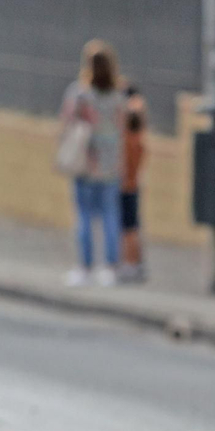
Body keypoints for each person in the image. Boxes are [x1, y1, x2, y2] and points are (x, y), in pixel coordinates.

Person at [59, 39, 127, 287]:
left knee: (84, 216)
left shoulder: (79, 93)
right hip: (111, 165)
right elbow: (121, 129)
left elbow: (66, 121)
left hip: (86, 163)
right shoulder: (119, 95)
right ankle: (110, 267)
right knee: (111, 216)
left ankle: (84, 268)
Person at [118, 84, 147, 283]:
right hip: (132, 183)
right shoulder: (136, 137)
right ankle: (133, 263)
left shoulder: (129, 137)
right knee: (131, 226)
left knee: (128, 228)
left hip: (127, 185)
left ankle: (131, 264)